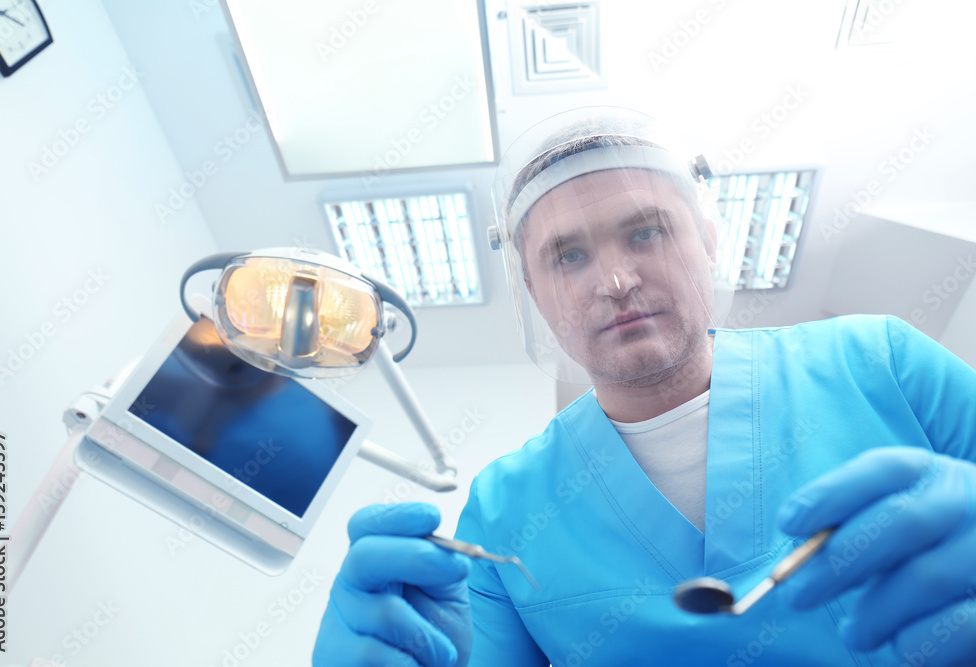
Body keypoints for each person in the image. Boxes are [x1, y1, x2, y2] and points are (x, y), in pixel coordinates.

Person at [312, 107, 976, 666]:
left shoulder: (882, 364)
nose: (616, 280)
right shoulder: (505, 511)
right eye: (569, 255)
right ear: (537, 296)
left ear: (709, 241)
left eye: (646, 231)